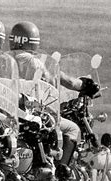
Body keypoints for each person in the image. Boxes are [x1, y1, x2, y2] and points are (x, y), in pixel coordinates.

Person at [8, 21, 99, 168]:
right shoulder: (33, 62)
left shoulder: (4, 59)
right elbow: (56, 81)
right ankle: (61, 172)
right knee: (73, 129)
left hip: (10, 114)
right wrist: (83, 85)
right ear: (34, 42)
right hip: (31, 116)